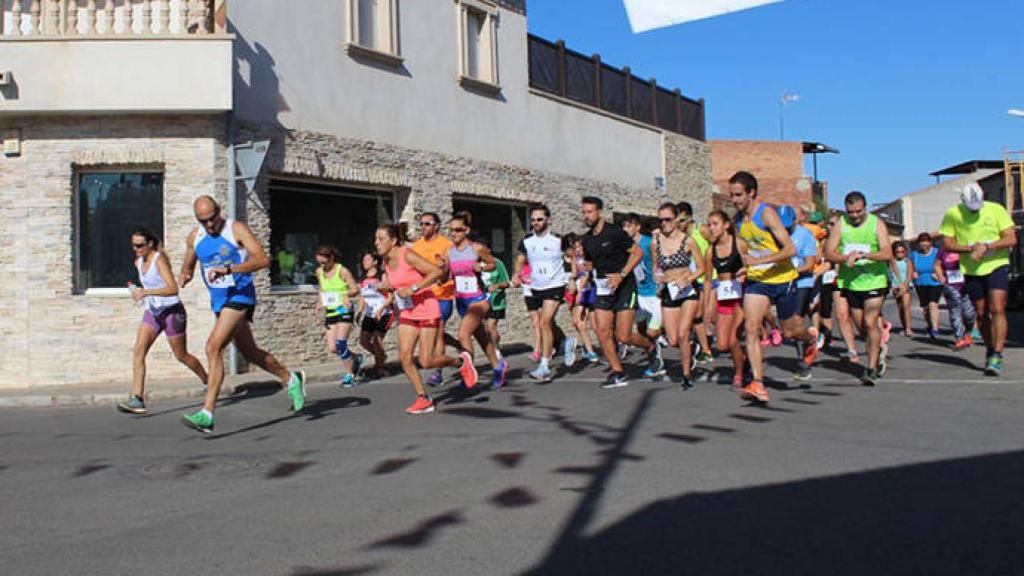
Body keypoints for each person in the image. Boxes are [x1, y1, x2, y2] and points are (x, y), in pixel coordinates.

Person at [178, 196, 306, 433]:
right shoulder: (195, 237)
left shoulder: (235, 229)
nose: (209, 225)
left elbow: (263, 260)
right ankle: (291, 379)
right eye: (203, 221)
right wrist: (185, 275)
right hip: (220, 301)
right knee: (251, 353)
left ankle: (207, 414)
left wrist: (231, 268)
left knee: (212, 347)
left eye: (212, 219)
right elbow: (188, 264)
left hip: (240, 296)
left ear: (219, 212)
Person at [730, 171, 818, 402]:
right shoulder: (738, 221)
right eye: (732, 195)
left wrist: (759, 261)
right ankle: (758, 383)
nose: (734, 200)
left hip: (783, 279)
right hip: (758, 282)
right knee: (751, 329)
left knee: (790, 332)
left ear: (752, 193)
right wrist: (745, 268)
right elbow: (746, 251)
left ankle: (809, 339)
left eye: (738, 195)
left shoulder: (766, 214)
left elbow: (790, 250)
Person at [376, 223, 471, 414]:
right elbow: (398, 287)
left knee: (427, 361)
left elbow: (436, 272)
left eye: (381, 239)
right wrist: (386, 303)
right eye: (376, 239)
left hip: (427, 308)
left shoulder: (406, 254)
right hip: (409, 312)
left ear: (393, 241)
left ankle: (461, 363)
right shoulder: (386, 262)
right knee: (405, 357)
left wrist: (413, 288)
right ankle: (423, 398)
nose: (376, 243)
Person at [117, 228, 208, 415]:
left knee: (181, 355)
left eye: (140, 245)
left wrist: (147, 292)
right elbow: (149, 286)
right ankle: (137, 399)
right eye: (133, 245)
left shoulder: (159, 259)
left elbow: (172, 288)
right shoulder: (139, 262)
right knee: (138, 352)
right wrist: (139, 292)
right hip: (153, 312)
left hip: (172, 312)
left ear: (150, 244)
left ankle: (208, 380)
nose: (136, 249)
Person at [939, 182, 1016, 375]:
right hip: (971, 268)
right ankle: (990, 349)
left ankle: (998, 354)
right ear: (963, 202)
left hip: (996, 264)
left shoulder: (996, 209)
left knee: (997, 308)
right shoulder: (953, 214)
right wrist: (970, 248)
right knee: (981, 313)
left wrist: (987, 246)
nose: (976, 210)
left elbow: (1011, 238)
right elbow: (947, 243)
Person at [580, 196, 650, 388]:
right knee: (602, 331)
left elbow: (637, 253)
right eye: (584, 212)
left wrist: (621, 274)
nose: (586, 215)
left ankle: (650, 347)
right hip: (603, 288)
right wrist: (585, 266)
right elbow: (591, 263)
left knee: (623, 336)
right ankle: (618, 371)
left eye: (590, 211)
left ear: (599, 212)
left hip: (625, 286)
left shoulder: (615, 232)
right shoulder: (586, 239)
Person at [826, 191, 892, 386]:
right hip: (851, 282)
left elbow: (887, 252)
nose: (854, 215)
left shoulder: (876, 224)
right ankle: (878, 348)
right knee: (863, 327)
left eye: (858, 211)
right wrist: (845, 258)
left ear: (865, 208)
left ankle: (870, 369)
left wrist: (866, 255)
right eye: (851, 212)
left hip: (874, 280)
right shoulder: (841, 224)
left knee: (871, 322)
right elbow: (829, 252)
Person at [445, 211, 508, 388]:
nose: (454, 234)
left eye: (458, 230)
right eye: (451, 230)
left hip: (479, 299)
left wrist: (480, 266)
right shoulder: (449, 252)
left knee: (463, 334)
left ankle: (468, 372)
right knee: (481, 338)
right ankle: (498, 367)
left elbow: (492, 264)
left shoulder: (476, 248)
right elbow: (446, 274)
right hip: (462, 300)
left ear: (466, 230)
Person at [513, 205, 575, 381]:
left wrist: (571, 279)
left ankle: (544, 366)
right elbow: (520, 259)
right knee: (547, 323)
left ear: (548, 220)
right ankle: (565, 341)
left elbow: (571, 257)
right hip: (536, 286)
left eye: (539, 219)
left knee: (544, 322)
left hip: (555, 285)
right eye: (533, 220)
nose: (536, 223)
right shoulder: (527, 240)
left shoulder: (558, 240)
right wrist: (517, 273)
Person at [653, 203, 704, 387]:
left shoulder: (688, 240)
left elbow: (702, 267)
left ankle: (686, 375)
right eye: (660, 220)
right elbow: (655, 267)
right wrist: (657, 276)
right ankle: (692, 348)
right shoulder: (656, 242)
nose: (663, 223)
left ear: (675, 220)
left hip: (687, 290)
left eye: (667, 219)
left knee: (683, 334)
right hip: (668, 290)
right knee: (673, 339)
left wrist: (689, 278)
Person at [412, 212, 459, 387]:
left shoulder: (446, 245)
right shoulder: (416, 247)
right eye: (421, 224)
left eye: (427, 224)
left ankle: (437, 371)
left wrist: (445, 269)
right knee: (427, 332)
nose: (423, 227)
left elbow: (451, 270)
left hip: (442, 295)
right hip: (423, 297)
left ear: (436, 226)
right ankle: (457, 346)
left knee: (438, 332)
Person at [780, 205, 821, 381]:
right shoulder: (775, 234)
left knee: (796, 321)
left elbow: (810, 263)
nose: (786, 229)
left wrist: (794, 272)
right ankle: (809, 340)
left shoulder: (805, 235)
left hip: (802, 282)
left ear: (795, 220)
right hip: (782, 283)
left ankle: (802, 364)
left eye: (788, 225)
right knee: (788, 330)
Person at [622, 213, 665, 378]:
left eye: (628, 226)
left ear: (637, 227)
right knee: (642, 330)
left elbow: (660, 263)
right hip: (638, 294)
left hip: (654, 293)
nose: (625, 229)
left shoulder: (648, 243)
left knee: (653, 332)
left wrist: (661, 284)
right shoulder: (626, 246)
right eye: (623, 226)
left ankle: (688, 340)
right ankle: (655, 360)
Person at [314, 244, 362, 388]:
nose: (322, 265)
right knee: (333, 348)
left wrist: (346, 295)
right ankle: (356, 358)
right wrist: (318, 303)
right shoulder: (319, 272)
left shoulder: (342, 271)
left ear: (332, 258)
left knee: (341, 343)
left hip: (343, 309)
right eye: (319, 262)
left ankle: (350, 375)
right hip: (331, 310)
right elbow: (322, 289)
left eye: (324, 262)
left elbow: (355, 289)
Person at [677, 202, 715, 364]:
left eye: (683, 220)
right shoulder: (680, 236)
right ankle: (706, 350)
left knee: (709, 316)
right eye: (677, 221)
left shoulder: (702, 230)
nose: (679, 224)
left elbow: (717, 245)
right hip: (693, 280)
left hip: (711, 278)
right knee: (698, 317)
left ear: (690, 218)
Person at [356, 251, 393, 380]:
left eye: (367, 259)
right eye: (363, 260)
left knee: (377, 341)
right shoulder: (363, 279)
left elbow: (391, 295)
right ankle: (381, 357)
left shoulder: (381, 275)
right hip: (369, 314)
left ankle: (380, 366)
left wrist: (381, 309)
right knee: (364, 341)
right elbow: (362, 297)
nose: (364, 262)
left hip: (384, 313)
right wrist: (359, 311)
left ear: (375, 262)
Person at [934, 239, 977, 349]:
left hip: (966, 284)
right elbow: (937, 265)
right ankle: (959, 338)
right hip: (950, 285)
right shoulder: (943, 250)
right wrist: (941, 277)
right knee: (955, 312)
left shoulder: (966, 247)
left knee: (969, 314)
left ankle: (968, 332)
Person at [567, 234, 601, 364]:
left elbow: (587, 275)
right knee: (577, 322)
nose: (577, 249)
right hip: (582, 290)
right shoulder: (575, 258)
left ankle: (608, 347)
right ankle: (590, 350)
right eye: (575, 247)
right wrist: (570, 281)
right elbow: (575, 273)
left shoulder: (588, 258)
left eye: (580, 247)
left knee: (594, 325)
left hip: (590, 290)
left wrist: (580, 292)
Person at [910, 232, 942, 339]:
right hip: (921, 282)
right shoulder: (914, 254)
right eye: (921, 243)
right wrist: (913, 273)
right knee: (925, 308)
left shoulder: (937, 253)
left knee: (933, 304)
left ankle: (935, 328)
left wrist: (940, 274)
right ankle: (930, 325)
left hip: (935, 282)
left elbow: (944, 265)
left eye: (926, 243)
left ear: (930, 243)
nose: (924, 246)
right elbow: (910, 267)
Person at [481, 252, 510, 365]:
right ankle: (493, 347)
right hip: (481, 300)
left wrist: (497, 286)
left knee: (491, 326)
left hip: (496, 300)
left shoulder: (497, 263)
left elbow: (506, 282)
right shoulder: (476, 265)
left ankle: (496, 350)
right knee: (484, 329)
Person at [889, 241, 915, 337]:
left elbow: (909, 275)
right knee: (900, 308)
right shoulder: (892, 261)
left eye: (902, 251)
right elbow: (891, 274)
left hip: (907, 285)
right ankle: (904, 326)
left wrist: (904, 286)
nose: (900, 254)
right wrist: (893, 286)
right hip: (896, 286)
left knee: (906, 306)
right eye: (897, 252)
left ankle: (908, 328)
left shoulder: (907, 261)